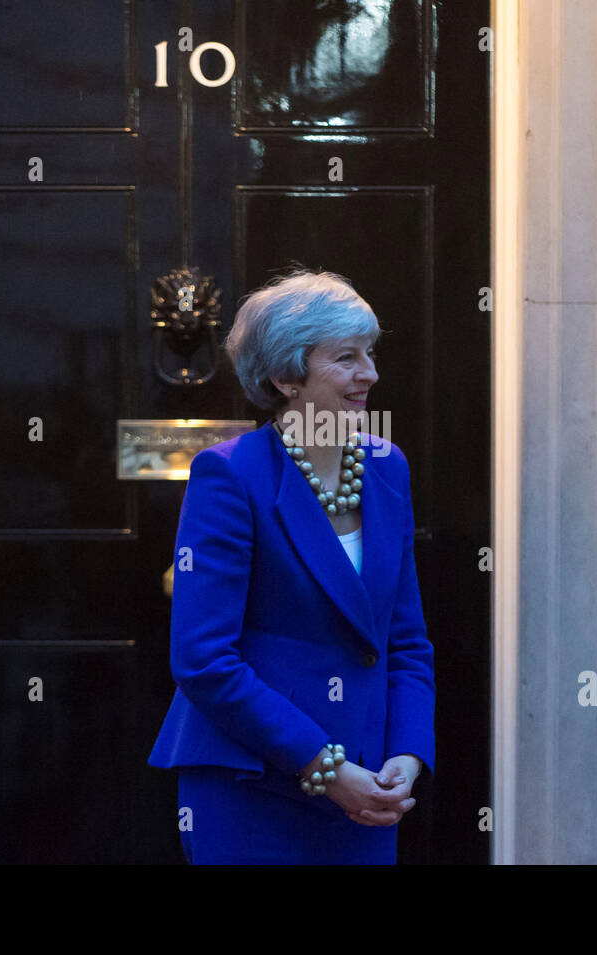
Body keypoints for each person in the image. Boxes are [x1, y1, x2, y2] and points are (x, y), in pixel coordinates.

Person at [147, 268, 436, 864]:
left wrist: (407, 754)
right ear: (285, 377)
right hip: (253, 785)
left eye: (371, 353)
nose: (370, 374)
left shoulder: (388, 467)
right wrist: (326, 769)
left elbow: (404, 641)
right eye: (346, 358)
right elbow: (203, 660)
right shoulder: (230, 476)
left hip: (368, 787)